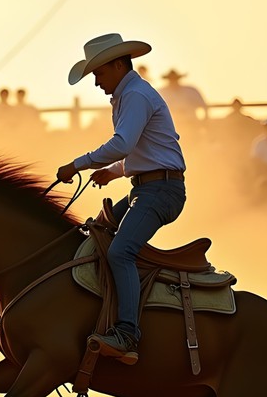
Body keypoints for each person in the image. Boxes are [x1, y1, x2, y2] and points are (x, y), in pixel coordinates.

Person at [56, 33, 186, 363]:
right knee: (98, 233)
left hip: (159, 192)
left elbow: (123, 143)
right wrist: (113, 172)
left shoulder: (136, 96)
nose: (97, 81)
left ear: (117, 64)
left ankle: (127, 333)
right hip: (149, 188)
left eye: (98, 73)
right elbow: (144, 150)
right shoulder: (131, 95)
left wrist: (78, 164)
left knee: (120, 251)